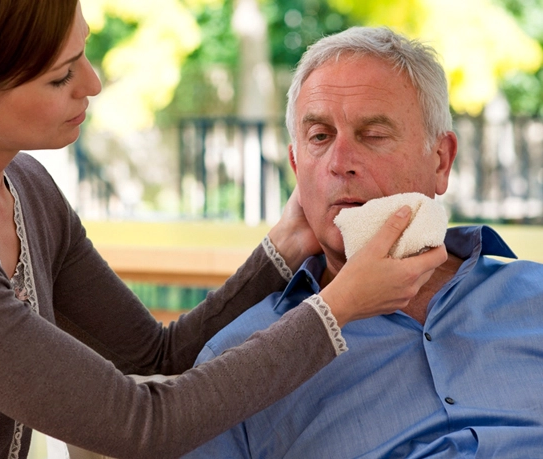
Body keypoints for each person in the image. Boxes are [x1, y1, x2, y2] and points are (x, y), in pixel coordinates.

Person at [0, 3, 447, 458]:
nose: (93, 84)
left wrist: (284, 248)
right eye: (61, 78)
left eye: (82, 52)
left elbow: (156, 355)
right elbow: (144, 425)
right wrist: (337, 308)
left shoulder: (22, 185)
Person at [184, 26, 543, 458]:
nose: (340, 163)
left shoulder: (533, 296)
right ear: (297, 168)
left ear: (441, 161)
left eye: (373, 135)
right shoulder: (234, 362)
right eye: (320, 136)